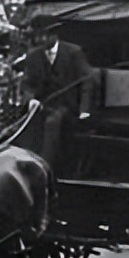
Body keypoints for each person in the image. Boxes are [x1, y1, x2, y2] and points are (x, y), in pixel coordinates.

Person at [19, 24, 94, 175]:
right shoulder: (34, 55)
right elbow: (27, 83)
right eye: (38, 36)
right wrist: (31, 99)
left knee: (53, 122)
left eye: (44, 36)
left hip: (67, 105)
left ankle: (44, 166)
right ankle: (23, 161)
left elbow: (87, 80)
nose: (41, 40)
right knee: (26, 122)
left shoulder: (73, 52)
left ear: (54, 36)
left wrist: (84, 109)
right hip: (42, 104)